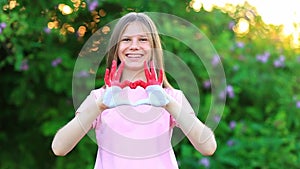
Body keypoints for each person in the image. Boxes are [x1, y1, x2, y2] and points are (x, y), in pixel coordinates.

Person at [51, 12, 217, 169]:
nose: (134, 46)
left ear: (153, 47)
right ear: (116, 48)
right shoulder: (100, 97)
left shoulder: (171, 97)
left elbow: (208, 147)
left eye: (143, 39)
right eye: (126, 40)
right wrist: (99, 106)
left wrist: (169, 104)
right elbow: (59, 148)